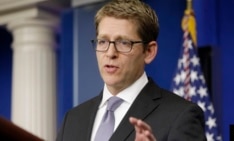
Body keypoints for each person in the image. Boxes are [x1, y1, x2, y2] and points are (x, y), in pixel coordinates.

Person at [56, 0, 207, 141]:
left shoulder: (180, 116)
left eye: (123, 43)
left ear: (149, 52)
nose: (110, 53)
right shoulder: (73, 119)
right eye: (103, 41)